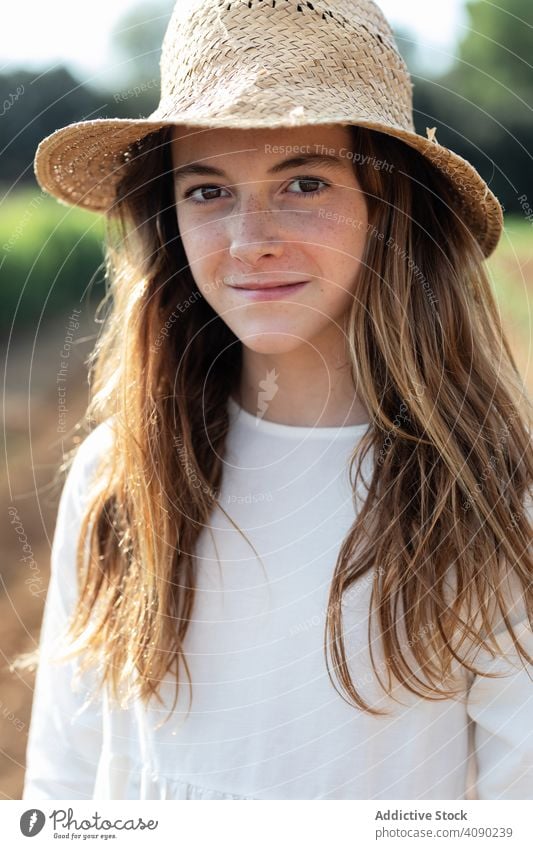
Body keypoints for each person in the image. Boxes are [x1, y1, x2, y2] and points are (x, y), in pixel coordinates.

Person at [16, 0, 533, 800]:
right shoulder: (116, 475)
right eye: (207, 192)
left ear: (387, 212)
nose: (250, 236)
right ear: (170, 220)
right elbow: (63, 780)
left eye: (303, 181)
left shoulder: (485, 497)